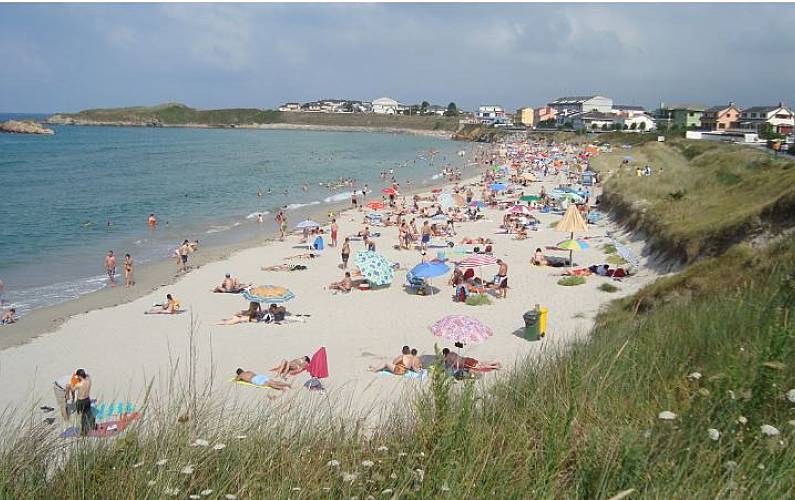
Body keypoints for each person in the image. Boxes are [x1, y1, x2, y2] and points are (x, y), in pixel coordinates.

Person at [73, 369, 95, 436]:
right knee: (89, 413)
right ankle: (93, 425)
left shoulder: (79, 385)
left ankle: (83, 431)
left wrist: (72, 384)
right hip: (87, 399)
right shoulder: (89, 380)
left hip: (81, 401)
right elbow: (88, 376)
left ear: (79, 376)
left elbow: (72, 389)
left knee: (81, 416)